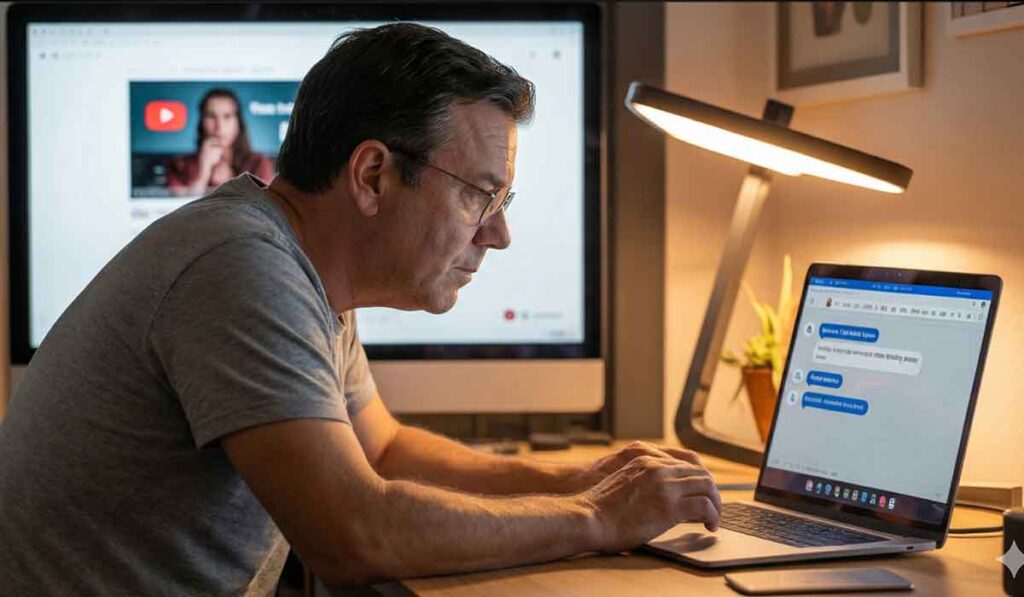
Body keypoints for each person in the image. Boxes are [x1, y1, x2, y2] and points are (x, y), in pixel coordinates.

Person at [0, 24, 720, 594]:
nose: (497, 234)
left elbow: (382, 449)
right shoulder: (240, 267)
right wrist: (595, 518)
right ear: (373, 175)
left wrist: (578, 479)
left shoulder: (291, 262)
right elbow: (355, 534)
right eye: (480, 194)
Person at [166, 87, 275, 196]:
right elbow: (178, 209)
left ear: (238, 123)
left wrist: (229, 182)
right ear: (201, 122)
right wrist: (203, 174)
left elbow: (261, 210)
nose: (219, 126)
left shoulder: (259, 164)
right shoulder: (179, 165)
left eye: (227, 117)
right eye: (211, 116)